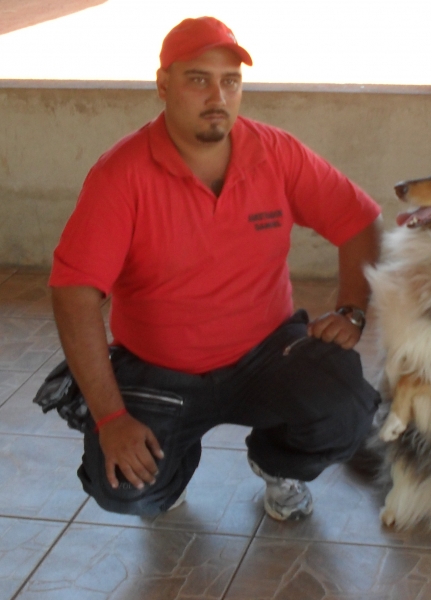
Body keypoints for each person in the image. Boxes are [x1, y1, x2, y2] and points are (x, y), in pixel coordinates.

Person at [44, 16, 383, 520]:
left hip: (266, 355)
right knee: (126, 488)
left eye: (230, 82)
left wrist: (353, 309)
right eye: (197, 79)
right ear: (162, 85)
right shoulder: (121, 175)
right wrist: (111, 417)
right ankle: (172, 467)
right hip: (160, 370)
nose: (217, 97)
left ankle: (277, 463)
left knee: (347, 409)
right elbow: (74, 292)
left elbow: (358, 220)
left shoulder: (277, 153)